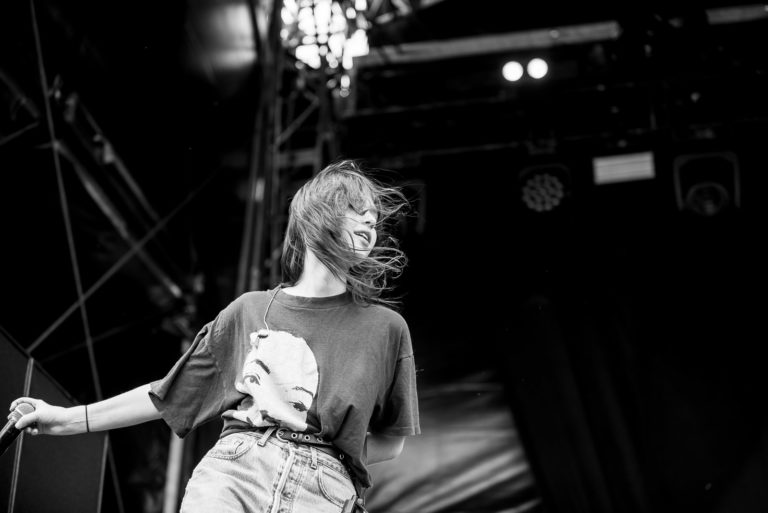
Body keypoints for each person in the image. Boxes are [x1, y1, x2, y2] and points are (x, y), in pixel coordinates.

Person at [8, 160, 421, 513]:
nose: (369, 223)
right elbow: (169, 394)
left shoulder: (386, 329)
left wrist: (327, 458)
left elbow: (392, 442)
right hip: (237, 471)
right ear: (316, 217)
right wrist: (66, 419)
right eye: (355, 210)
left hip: (325, 490)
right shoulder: (250, 310)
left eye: (372, 218)